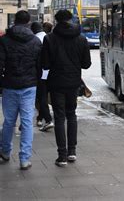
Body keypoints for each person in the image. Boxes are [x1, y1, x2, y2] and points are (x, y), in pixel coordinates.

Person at [42, 10, 91, 167]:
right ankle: (72, 152)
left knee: (59, 117)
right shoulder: (81, 38)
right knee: (72, 115)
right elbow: (86, 64)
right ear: (71, 20)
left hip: (56, 83)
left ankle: (61, 156)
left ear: (56, 21)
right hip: (73, 83)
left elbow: (45, 64)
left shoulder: (49, 39)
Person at [0, 10, 42, 170]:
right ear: (28, 22)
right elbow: (40, 66)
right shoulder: (35, 41)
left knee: (9, 121)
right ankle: (24, 158)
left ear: (14, 21)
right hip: (29, 86)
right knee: (26, 122)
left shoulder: (4, 40)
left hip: (10, 85)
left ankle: (5, 151)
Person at [31, 21, 54, 131]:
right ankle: (40, 118)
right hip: (52, 73)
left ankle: (48, 120)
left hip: (40, 73)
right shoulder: (49, 37)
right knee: (43, 97)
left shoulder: (33, 40)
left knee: (41, 98)